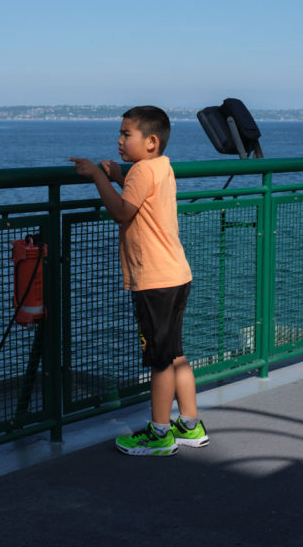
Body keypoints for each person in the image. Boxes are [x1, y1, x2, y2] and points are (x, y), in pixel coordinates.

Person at [70, 105, 209, 455]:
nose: (119, 139)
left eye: (125, 134)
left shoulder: (140, 172)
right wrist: (119, 176)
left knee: (160, 360)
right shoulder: (160, 167)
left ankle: (160, 433)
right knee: (175, 353)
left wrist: (97, 176)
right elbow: (141, 201)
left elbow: (121, 212)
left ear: (150, 141)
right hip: (177, 273)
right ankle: (190, 424)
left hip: (153, 280)